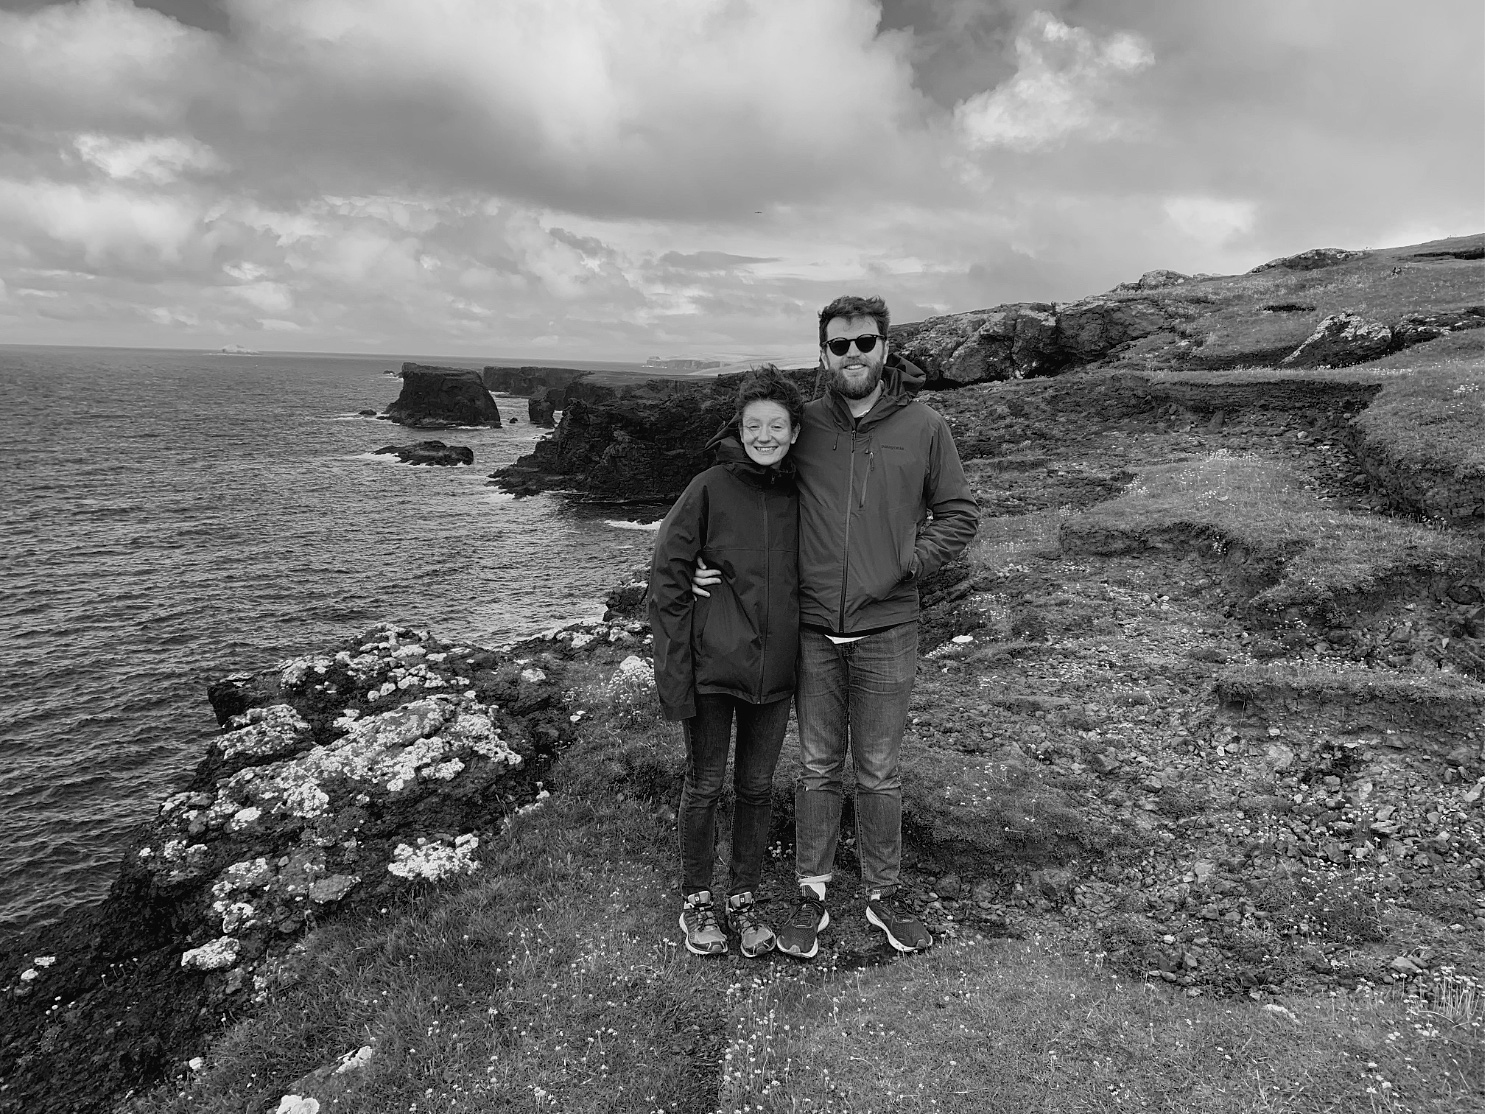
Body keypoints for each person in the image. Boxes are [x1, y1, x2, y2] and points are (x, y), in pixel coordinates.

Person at [695, 295, 979, 957]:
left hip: (889, 628)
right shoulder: (806, 426)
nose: (852, 354)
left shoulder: (924, 426)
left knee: (878, 769)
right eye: (839, 345)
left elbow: (958, 514)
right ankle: (811, 892)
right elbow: (741, 484)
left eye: (864, 342)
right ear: (822, 353)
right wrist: (693, 561)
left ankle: (883, 893)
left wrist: (908, 562)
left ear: (885, 346)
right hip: (814, 631)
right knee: (819, 766)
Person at [648, 365, 804, 957]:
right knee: (705, 785)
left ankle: (743, 897)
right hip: (714, 664)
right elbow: (667, 565)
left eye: (777, 426)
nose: (765, 435)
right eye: (754, 425)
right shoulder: (710, 485)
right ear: (739, 429)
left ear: (793, 434)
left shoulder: (801, 490)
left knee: (757, 787)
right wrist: (688, 582)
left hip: (777, 669)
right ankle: (696, 901)